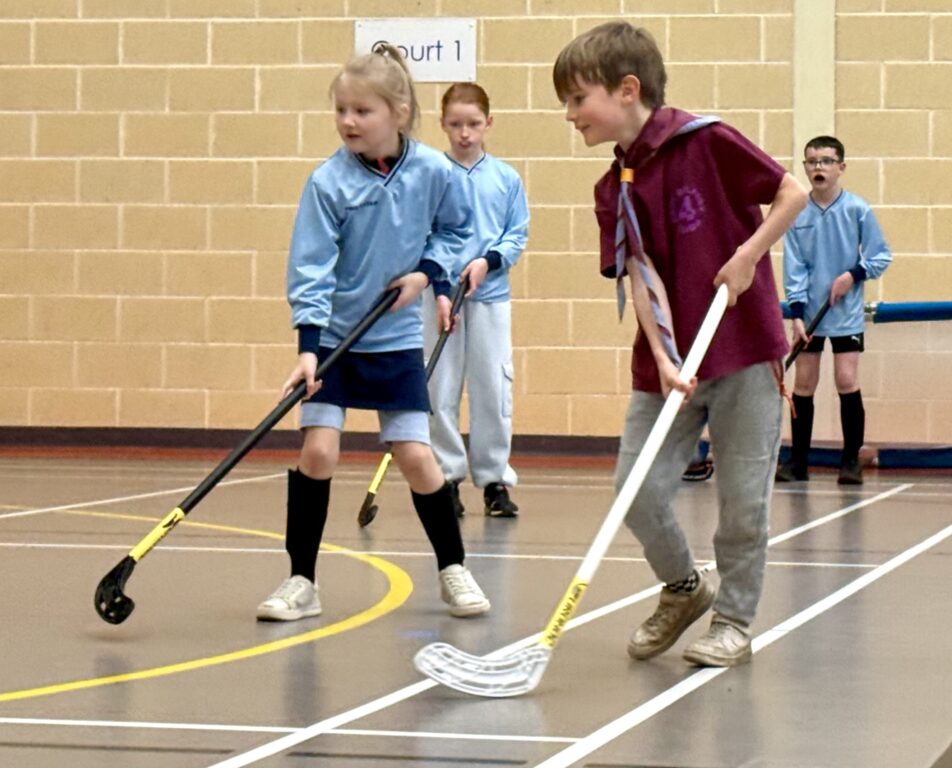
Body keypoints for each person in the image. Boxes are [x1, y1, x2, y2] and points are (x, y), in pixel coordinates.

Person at [552, 21, 806, 667]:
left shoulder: (707, 141)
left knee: (742, 505)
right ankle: (685, 588)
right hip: (667, 366)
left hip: (744, 351)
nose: (570, 114)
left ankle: (733, 623)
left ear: (626, 89)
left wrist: (749, 255)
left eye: (578, 98)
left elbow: (792, 192)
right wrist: (664, 358)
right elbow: (641, 276)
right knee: (635, 489)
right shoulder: (612, 188)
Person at [257, 45, 490, 622]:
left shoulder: (434, 172)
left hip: (395, 341)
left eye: (362, 111)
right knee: (318, 451)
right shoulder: (327, 182)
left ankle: (453, 568)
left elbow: (456, 231)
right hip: (335, 340)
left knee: (415, 455)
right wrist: (308, 348)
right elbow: (311, 266)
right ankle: (301, 581)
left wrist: (426, 274)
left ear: (399, 113)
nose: (348, 121)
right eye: (341, 110)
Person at [424, 82, 529, 518]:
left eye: (473, 123)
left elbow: (516, 234)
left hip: (490, 297)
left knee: (492, 389)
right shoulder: (432, 176)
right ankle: (445, 477)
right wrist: (440, 290)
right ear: (443, 125)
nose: (464, 133)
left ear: (488, 123)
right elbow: (425, 235)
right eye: (455, 124)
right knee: (440, 387)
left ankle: (494, 480)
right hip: (441, 299)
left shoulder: (506, 179)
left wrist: (488, 262)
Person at [776, 136, 892, 486]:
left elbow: (880, 256)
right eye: (812, 161)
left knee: (845, 380)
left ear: (840, 167)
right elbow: (794, 268)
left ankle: (851, 461)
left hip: (845, 313)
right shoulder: (797, 213)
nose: (819, 168)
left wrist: (852, 275)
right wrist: (797, 314)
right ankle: (798, 461)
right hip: (811, 316)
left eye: (826, 161)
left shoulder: (857, 209)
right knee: (804, 383)